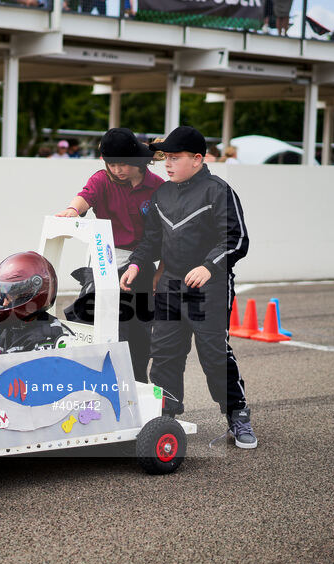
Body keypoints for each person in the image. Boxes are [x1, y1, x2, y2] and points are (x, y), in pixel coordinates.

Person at [119, 126, 256, 449]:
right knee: (164, 353)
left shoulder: (218, 191)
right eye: (165, 157)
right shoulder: (161, 195)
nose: (167, 164)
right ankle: (166, 416)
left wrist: (209, 266)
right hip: (169, 285)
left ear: (197, 159)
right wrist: (136, 264)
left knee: (214, 355)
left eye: (175, 158)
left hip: (209, 287)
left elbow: (237, 240)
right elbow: (151, 240)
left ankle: (237, 414)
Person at [56, 127, 164, 383]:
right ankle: (102, 383)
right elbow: (84, 197)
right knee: (106, 328)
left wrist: (161, 271)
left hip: (142, 264)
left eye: (122, 164)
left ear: (136, 159)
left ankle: (138, 384)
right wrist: (72, 210)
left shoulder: (158, 188)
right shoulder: (102, 180)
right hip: (104, 264)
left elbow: (164, 236)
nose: (117, 170)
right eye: (111, 164)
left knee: (140, 334)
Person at [0, 251, 71, 356]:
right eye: (3, 297)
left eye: (9, 298)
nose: (4, 303)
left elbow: (22, 373)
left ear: (28, 295)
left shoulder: (48, 335)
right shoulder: (11, 327)